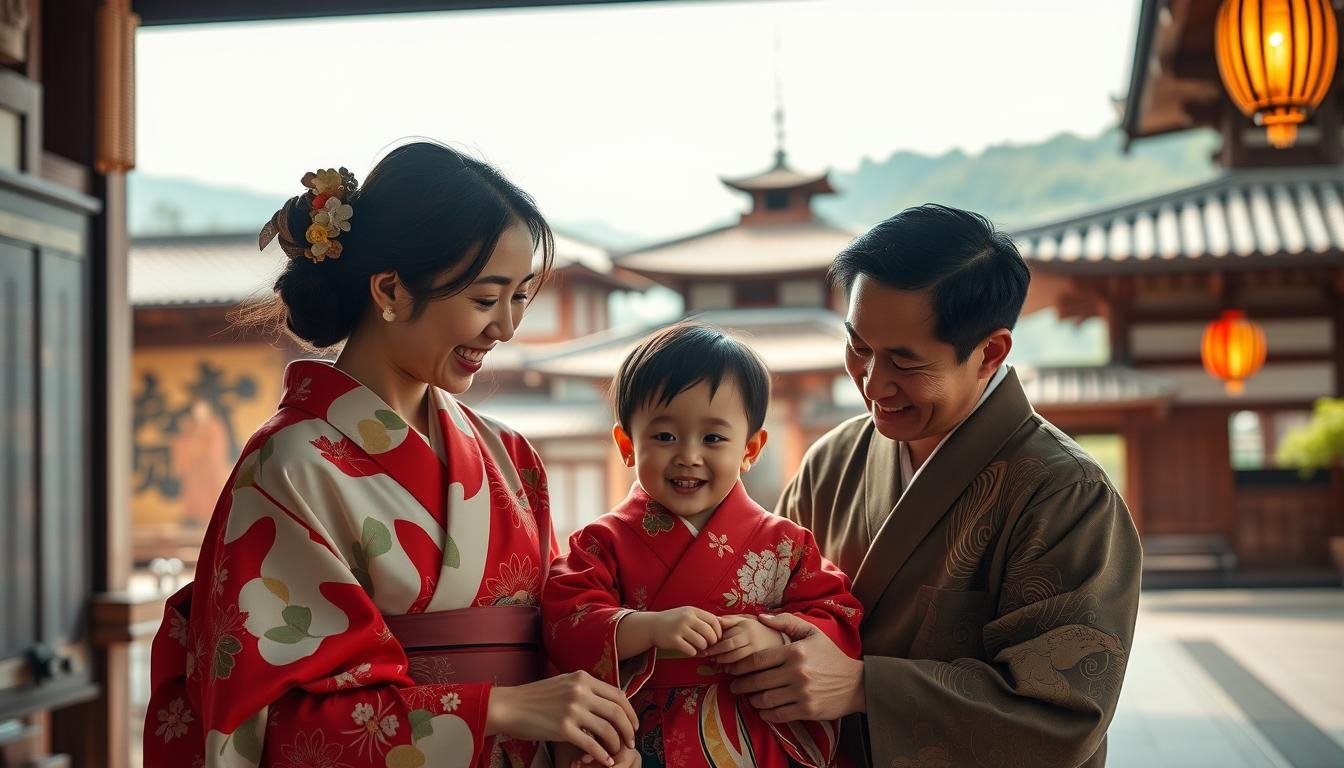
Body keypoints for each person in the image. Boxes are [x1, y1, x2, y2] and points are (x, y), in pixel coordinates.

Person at [144, 141, 638, 768]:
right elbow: (267, 720)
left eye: (519, 298)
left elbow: (559, 636)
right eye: (486, 299)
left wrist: (589, 729)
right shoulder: (291, 466)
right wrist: (499, 709)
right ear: (391, 290)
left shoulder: (508, 454)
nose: (506, 328)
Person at [726, 205, 1142, 768]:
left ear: (989, 353)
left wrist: (861, 688)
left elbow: (1063, 715)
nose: (873, 383)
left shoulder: (1066, 494)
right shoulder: (834, 460)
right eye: (859, 347)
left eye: (905, 361)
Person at [542, 322, 863, 768]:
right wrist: (645, 628)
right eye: (664, 436)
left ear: (750, 449)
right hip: (640, 733)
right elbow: (564, 621)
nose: (688, 455)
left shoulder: (785, 544)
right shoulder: (601, 543)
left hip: (755, 726)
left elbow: (839, 616)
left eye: (713, 438)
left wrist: (772, 634)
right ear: (626, 444)